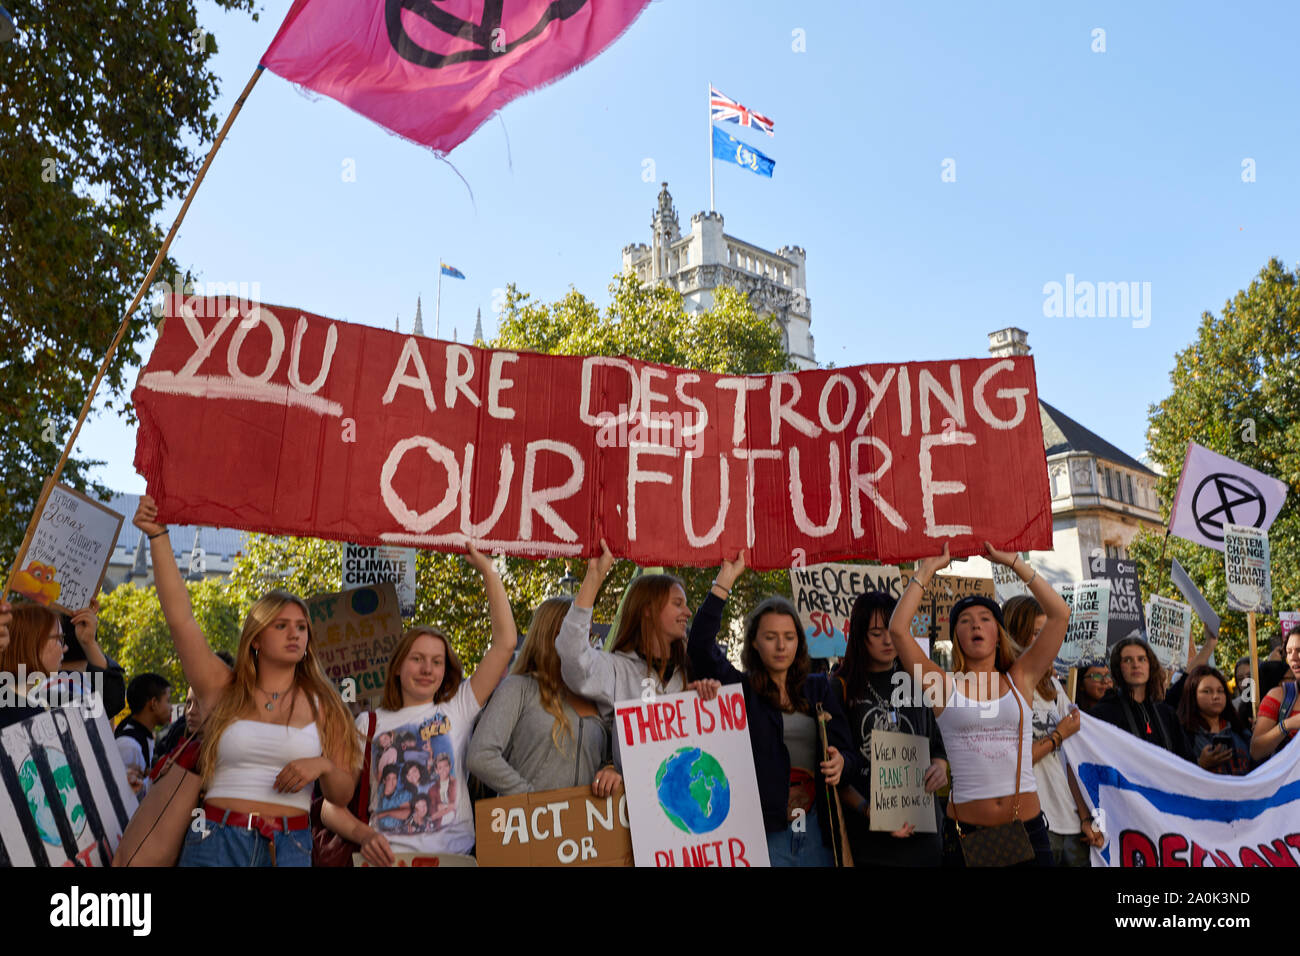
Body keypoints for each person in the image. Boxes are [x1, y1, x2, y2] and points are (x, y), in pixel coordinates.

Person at [134, 495, 360, 867]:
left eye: (302, 627)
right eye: (281, 625)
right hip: (216, 841)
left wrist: (320, 766)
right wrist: (159, 537)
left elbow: (341, 795)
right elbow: (181, 620)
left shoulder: (325, 701)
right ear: (255, 637)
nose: (295, 634)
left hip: (289, 847)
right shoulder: (222, 687)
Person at [321, 545, 516, 865]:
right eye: (418, 659)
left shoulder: (459, 707)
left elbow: (505, 643)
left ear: (446, 669)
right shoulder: (367, 724)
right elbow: (331, 807)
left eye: (437, 661)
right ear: (398, 666)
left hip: (453, 858)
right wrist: (365, 836)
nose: (427, 669)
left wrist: (488, 571)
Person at [889, 543, 1070, 868]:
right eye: (965, 621)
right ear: (955, 636)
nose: (975, 625)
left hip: (1027, 832)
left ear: (998, 634)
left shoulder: (1021, 678)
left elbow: (1060, 614)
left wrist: (1014, 562)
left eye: (985, 619)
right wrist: (927, 570)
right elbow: (898, 631)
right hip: (965, 836)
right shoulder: (942, 686)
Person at [687, 552, 860, 866]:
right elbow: (699, 646)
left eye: (789, 637)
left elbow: (849, 753)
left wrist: (841, 763)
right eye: (770, 637)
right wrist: (724, 580)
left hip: (817, 832)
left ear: (799, 643)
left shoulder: (820, 687)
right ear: (754, 642)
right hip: (763, 835)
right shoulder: (740, 690)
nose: (781, 646)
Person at [554, 540, 716, 762]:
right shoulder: (617, 670)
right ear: (648, 610)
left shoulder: (689, 672)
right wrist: (594, 578)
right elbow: (572, 655)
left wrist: (710, 696)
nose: (688, 612)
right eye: (678, 603)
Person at [831, 589, 946, 866]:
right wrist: (869, 810)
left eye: (892, 630)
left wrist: (940, 768)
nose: (887, 640)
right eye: (875, 632)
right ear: (859, 635)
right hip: (869, 839)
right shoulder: (839, 687)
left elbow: (937, 747)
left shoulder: (916, 681)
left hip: (924, 831)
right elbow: (834, 770)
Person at [467, 596, 622, 797]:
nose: (585, 646)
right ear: (549, 636)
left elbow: (613, 760)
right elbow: (481, 755)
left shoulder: (598, 698)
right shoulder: (518, 689)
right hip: (530, 824)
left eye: (590, 636)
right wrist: (532, 800)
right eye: (576, 636)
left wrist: (610, 769)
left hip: (589, 825)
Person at [1002, 595, 1102, 866]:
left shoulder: (1054, 689)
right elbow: (1010, 760)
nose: (1046, 641)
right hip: (1032, 823)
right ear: (1015, 635)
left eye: (1048, 633)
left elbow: (1069, 759)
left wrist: (1084, 816)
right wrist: (1057, 735)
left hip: (1069, 822)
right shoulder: (1000, 689)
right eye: (1037, 633)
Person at [1, 602, 113, 729]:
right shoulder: (8, 711)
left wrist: (89, 643)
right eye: (59, 639)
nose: (65, 648)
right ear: (33, 643)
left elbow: (109, 702)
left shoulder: (46, 697)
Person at [1091, 637, 1188, 759]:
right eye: (1127, 660)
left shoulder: (1166, 714)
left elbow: (1186, 762)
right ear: (1118, 668)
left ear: (1150, 665)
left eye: (1142, 659)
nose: (1136, 665)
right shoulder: (1103, 714)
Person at [1176, 665, 1252, 775]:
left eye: (1220, 691)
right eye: (1207, 691)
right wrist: (1200, 764)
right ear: (1192, 695)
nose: (1216, 696)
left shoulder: (1240, 730)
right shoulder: (1182, 735)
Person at [115, 673, 172, 795]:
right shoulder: (128, 745)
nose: (171, 708)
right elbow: (125, 794)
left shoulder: (143, 738)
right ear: (154, 703)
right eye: (168, 700)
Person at [1249, 630, 1300, 763]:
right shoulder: (1278, 696)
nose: (1294, 657)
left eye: (1299, 650)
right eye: (1289, 652)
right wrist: (1287, 725)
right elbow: (1256, 751)